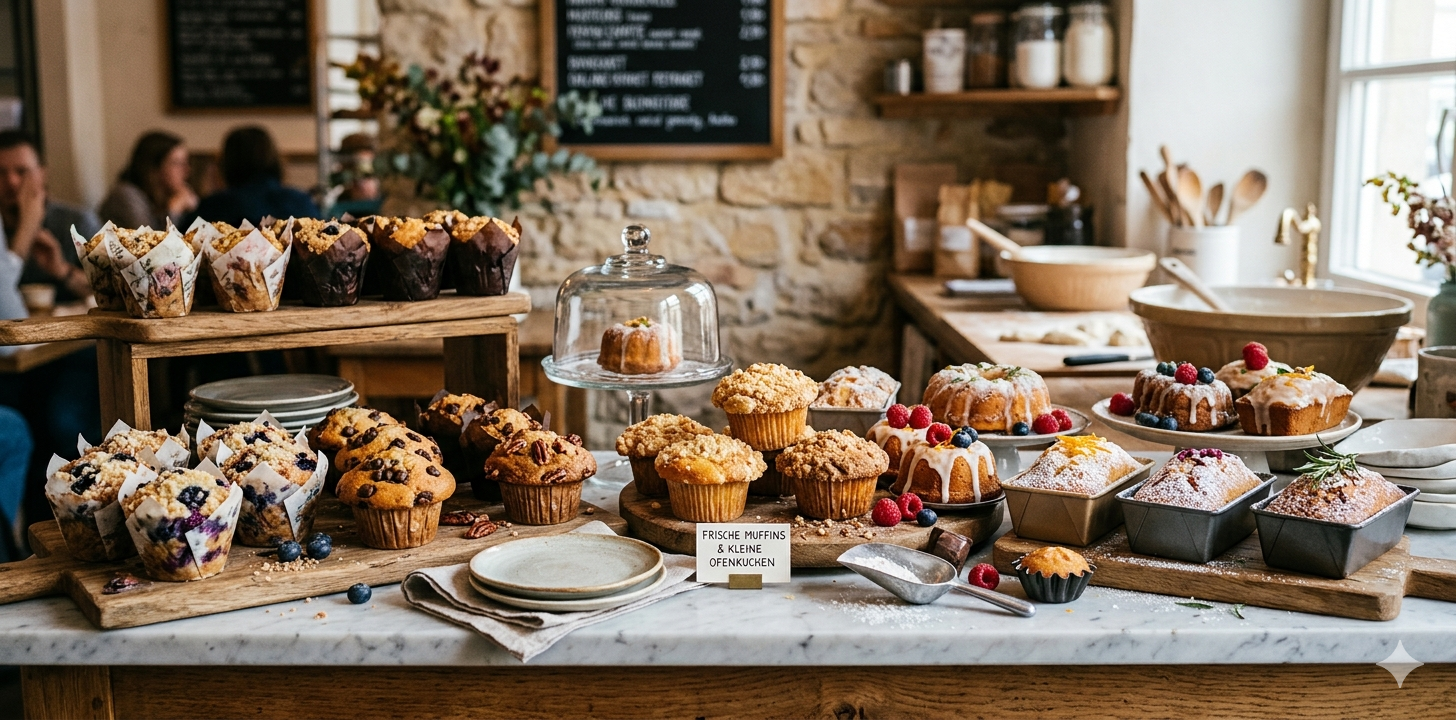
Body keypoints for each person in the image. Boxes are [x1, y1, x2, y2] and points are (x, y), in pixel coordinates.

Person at [0, 130, 99, 303]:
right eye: (1, 173)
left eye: (22, 171)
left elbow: (114, 291)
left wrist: (62, 270)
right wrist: (26, 229)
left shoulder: (78, 223)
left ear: (42, 174)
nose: (12, 181)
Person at [193, 126, 319, 227]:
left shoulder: (214, 206)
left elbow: (182, 249)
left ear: (226, 163)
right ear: (274, 159)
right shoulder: (299, 201)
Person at [98, 131, 197, 229]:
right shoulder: (126, 195)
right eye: (177, 163)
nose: (187, 170)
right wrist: (175, 210)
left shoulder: (166, 194)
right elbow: (149, 241)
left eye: (186, 162)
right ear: (154, 168)